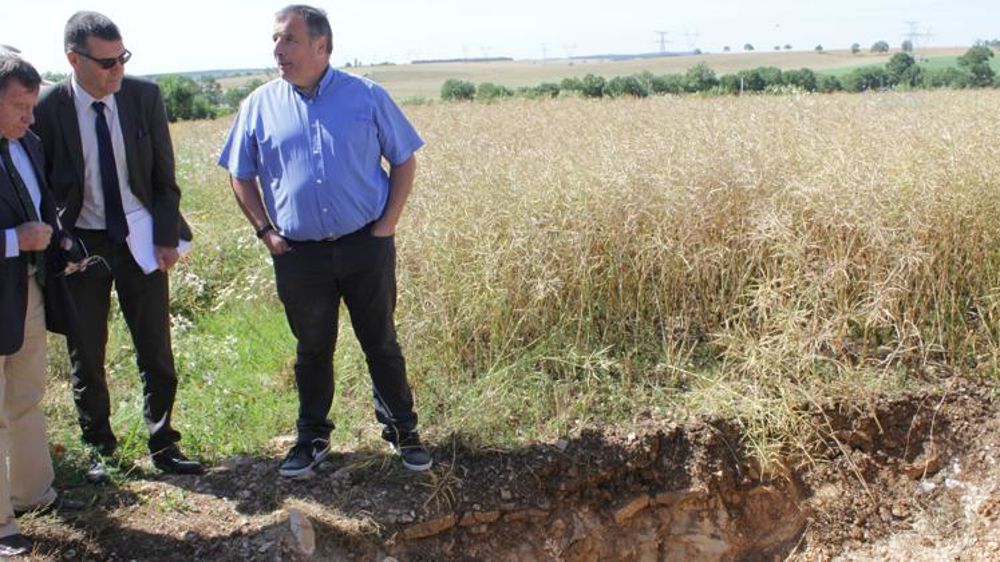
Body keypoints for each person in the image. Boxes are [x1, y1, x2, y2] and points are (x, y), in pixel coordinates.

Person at [218, 4, 431, 476]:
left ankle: (402, 431)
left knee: (380, 341)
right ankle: (311, 438)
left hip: (365, 244)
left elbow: (404, 160)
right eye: (275, 39)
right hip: (298, 255)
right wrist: (265, 232)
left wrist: (386, 227)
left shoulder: (366, 96)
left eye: (289, 40)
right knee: (312, 349)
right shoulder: (258, 105)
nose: (278, 50)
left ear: (322, 46)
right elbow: (240, 173)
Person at [31, 11, 203, 483]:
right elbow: (41, 187)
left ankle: (164, 442)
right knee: (87, 352)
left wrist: (166, 238)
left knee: (155, 347)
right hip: (81, 245)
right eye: (106, 63)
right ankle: (100, 450)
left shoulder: (144, 97)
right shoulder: (47, 110)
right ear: (73, 58)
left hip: (141, 239)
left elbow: (164, 180)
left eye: (122, 58)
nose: (117, 71)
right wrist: (56, 248)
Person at [0, 51, 80, 557]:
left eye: (32, 106)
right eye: (18, 106)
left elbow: (42, 206)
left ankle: (34, 495)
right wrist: (13, 240)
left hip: (26, 290)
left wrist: (58, 241)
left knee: (27, 396)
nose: (30, 117)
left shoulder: (28, 143)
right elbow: (20, 229)